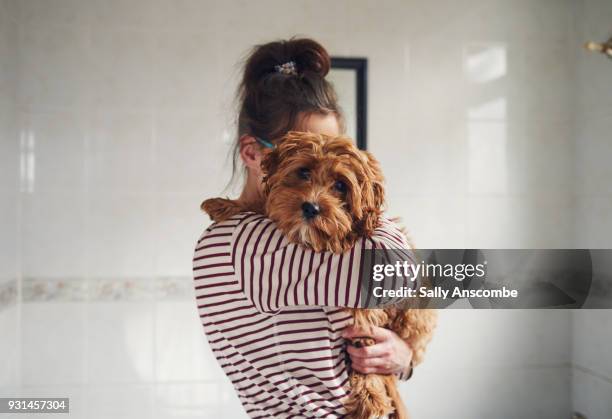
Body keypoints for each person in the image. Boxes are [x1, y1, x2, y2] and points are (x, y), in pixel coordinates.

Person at [193, 38, 417, 418]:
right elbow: (400, 268)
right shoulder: (243, 243)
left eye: (337, 156)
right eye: (304, 160)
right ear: (253, 152)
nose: (322, 185)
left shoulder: (288, 240)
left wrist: (402, 357)